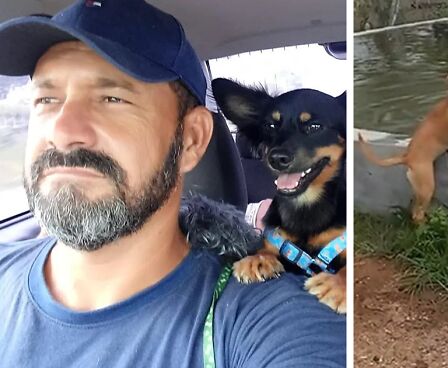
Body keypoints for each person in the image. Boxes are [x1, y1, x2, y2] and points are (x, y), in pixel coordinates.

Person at [0, 1, 346, 367]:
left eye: (112, 98)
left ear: (192, 140)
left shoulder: (265, 321)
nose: (63, 131)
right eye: (46, 99)